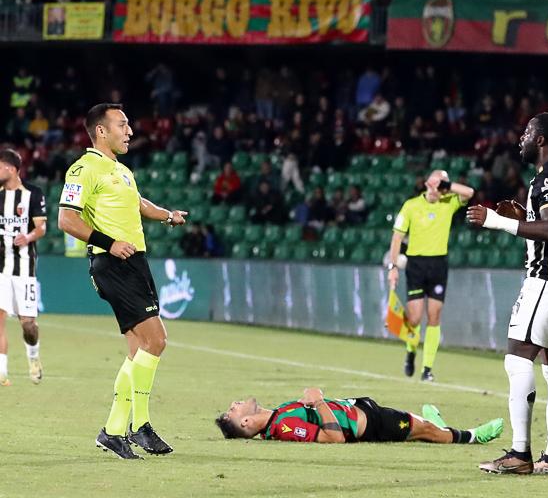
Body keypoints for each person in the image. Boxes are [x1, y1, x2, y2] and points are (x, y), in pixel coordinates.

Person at [57, 103, 189, 460]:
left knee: (138, 351)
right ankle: (139, 425)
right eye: (122, 124)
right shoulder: (82, 169)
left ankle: (113, 431)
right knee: (157, 341)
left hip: (134, 263)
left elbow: (139, 203)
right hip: (113, 263)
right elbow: (66, 220)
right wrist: (110, 243)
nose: (129, 131)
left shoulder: (121, 170)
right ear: (101, 131)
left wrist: (168, 216)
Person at [467, 112, 548, 476]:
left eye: (527, 132)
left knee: (518, 358)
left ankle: (520, 454)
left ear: (540, 140)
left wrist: (497, 221)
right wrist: (524, 216)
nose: (522, 137)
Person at [387, 170, 474, 382]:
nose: (437, 189)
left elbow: (470, 192)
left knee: (434, 316)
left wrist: (447, 184)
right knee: (415, 318)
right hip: (416, 264)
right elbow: (397, 238)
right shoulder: (411, 205)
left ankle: (427, 369)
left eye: (441, 185)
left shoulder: (448, 202)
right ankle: (410, 351)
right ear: (427, 183)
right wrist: (393, 266)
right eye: (435, 184)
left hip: (438, 264)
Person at [215, 387, 504, 445]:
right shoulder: (285, 426)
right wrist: (318, 403)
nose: (234, 402)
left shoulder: (278, 417)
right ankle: (471, 437)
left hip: (361, 409)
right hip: (371, 425)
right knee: (427, 430)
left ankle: (439, 424)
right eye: (233, 410)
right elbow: (333, 437)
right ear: (244, 423)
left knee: (419, 422)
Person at [0, 148, 46, 385]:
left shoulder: (33, 194)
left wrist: (27, 237)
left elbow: (41, 228)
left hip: (25, 267)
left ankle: (33, 355)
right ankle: (2, 372)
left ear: (10, 168)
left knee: (28, 324)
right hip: (1, 268)